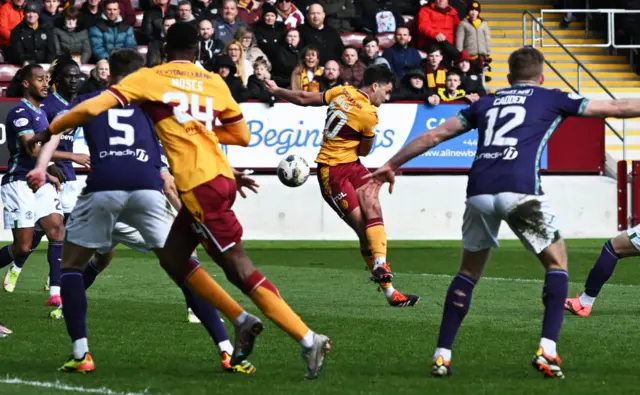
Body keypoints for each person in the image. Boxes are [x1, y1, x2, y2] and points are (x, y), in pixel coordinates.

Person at [26, 22, 332, 380]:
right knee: (173, 257)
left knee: (240, 269)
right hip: (217, 177)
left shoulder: (152, 78)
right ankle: (242, 320)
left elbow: (91, 109)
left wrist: (47, 131)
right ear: (198, 50)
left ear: (166, 48)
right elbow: (243, 135)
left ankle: (307, 338)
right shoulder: (214, 81)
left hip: (199, 186)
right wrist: (199, 130)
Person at [366, 46, 640, 379]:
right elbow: (614, 107)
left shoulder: (486, 102)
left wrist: (391, 164)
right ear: (542, 77)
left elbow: (434, 134)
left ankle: (442, 356)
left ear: (508, 78)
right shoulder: (550, 97)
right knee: (557, 263)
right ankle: (548, 351)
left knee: (467, 273)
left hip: (479, 192)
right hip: (522, 191)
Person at [35, 49, 257, 375]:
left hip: (103, 188)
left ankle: (81, 353)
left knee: (70, 265)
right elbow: (187, 142)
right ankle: (226, 351)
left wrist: (41, 165)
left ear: (110, 73)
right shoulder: (154, 104)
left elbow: (57, 128)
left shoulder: (94, 98)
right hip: (147, 189)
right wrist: (229, 172)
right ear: (143, 75)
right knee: (185, 268)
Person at [264, 65, 420, 308]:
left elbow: (304, 98)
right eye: (387, 93)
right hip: (332, 172)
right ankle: (390, 291)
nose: (387, 98)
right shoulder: (369, 114)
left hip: (353, 166)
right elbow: (365, 151)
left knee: (374, 207)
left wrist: (277, 89)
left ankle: (380, 265)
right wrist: (365, 134)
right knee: (364, 229)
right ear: (375, 86)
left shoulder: (341, 91)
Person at [0, 64, 87, 306]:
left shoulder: (41, 113)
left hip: (39, 182)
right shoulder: (19, 111)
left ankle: (56, 293)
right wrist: (71, 157)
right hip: (19, 182)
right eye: (40, 79)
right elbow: (32, 148)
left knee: (57, 228)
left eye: (47, 79)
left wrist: (48, 172)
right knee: (23, 247)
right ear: (26, 84)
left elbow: (41, 155)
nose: (45, 83)